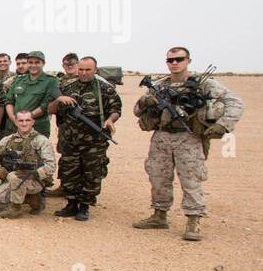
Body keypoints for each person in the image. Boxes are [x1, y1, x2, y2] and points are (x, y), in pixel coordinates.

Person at [131, 47, 244, 240]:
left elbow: (236, 103)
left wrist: (223, 126)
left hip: (189, 136)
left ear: (188, 61)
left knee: (191, 179)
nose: (174, 63)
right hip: (162, 136)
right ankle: (159, 215)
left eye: (179, 59)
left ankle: (194, 221)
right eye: (170, 60)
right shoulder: (159, 86)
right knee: (158, 176)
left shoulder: (204, 84)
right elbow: (137, 110)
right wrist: (145, 101)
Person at [47, 56, 121, 221]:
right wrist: (59, 99)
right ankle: (71, 203)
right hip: (70, 139)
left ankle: (85, 206)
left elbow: (116, 109)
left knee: (91, 173)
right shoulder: (66, 87)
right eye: (81, 69)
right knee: (69, 171)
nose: (84, 73)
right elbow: (50, 109)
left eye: (88, 70)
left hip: (94, 140)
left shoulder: (104, 89)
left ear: (96, 70)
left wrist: (110, 120)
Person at [0, 111, 57, 218]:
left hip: (34, 181)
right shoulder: (8, 140)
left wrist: (34, 174)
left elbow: (51, 166)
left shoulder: (41, 140)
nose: (24, 123)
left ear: (33, 122)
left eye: (27, 120)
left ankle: (16, 207)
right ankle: (29, 199)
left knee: (15, 176)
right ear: (16, 122)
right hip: (12, 179)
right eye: (21, 120)